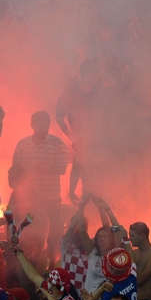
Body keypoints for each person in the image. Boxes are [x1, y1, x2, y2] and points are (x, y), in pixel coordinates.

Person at [10, 110, 69, 261]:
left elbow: (62, 168)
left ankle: (53, 267)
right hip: (27, 200)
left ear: (49, 125)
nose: (42, 126)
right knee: (27, 236)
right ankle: (28, 265)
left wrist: (42, 170)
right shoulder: (22, 144)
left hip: (50, 199)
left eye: (45, 124)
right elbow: (15, 169)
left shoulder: (57, 143)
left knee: (53, 237)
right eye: (38, 123)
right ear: (32, 125)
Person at [56, 59, 103, 203]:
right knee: (79, 162)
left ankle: (94, 195)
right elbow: (59, 117)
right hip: (79, 138)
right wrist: (73, 137)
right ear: (86, 73)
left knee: (95, 168)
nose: (98, 76)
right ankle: (72, 195)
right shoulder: (70, 92)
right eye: (95, 72)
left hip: (99, 138)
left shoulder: (99, 91)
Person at [127, 222, 151, 300]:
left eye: (132, 236)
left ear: (141, 236)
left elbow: (139, 281)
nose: (129, 238)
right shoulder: (135, 253)